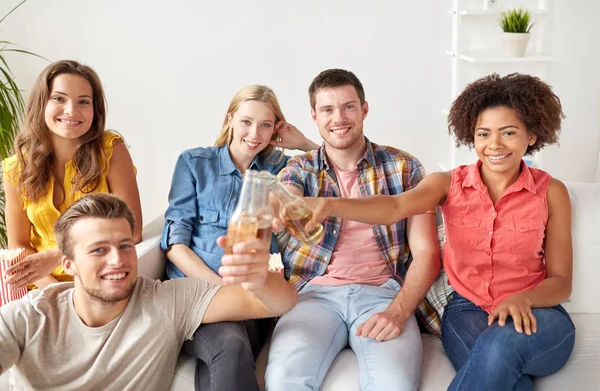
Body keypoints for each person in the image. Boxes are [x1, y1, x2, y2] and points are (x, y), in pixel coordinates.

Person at [304, 73, 576, 390]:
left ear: (531, 135)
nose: (494, 145)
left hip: (539, 312)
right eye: (483, 134)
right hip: (467, 312)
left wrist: (524, 299)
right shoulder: (447, 183)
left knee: (501, 346)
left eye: (509, 132)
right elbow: (393, 207)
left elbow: (560, 282)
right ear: (470, 136)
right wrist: (330, 205)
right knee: (509, 379)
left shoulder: (550, 191)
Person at [0, 193, 298, 390]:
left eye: (125, 246)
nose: (117, 259)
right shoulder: (30, 317)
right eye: (99, 250)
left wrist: (259, 279)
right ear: (69, 264)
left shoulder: (167, 301)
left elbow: (280, 302)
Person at [264, 69, 442, 391]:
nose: (339, 118)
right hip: (312, 294)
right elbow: (284, 198)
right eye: (328, 110)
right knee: (282, 380)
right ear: (314, 117)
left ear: (364, 109)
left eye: (348, 107)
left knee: (394, 384)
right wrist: (281, 210)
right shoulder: (299, 168)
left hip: (383, 294)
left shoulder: (404, 168)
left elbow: (427, 252)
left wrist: (398, 312)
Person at [160, 84, 318, 391]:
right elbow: (175, 245)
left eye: (265, 125)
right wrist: (220, 288)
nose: (254, 134)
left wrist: (303, 143)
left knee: (232, 349)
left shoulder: (282, 171)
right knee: (230, 347)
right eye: (246, 121)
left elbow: (332, 170)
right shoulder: (194, 163)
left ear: (276, 130)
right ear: (230, 119)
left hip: (255, 299)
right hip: (198, 293)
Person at [2, 60, 142, 290]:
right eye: (59, 98)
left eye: (83, 102)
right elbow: (18, 245)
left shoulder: (111, 151)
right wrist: (52, 290)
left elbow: (132, 230)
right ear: (42, 103)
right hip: (41, 288)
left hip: (100, 282)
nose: (71, 110)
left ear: (94, 111)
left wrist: (59, 256)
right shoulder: (16, 168)